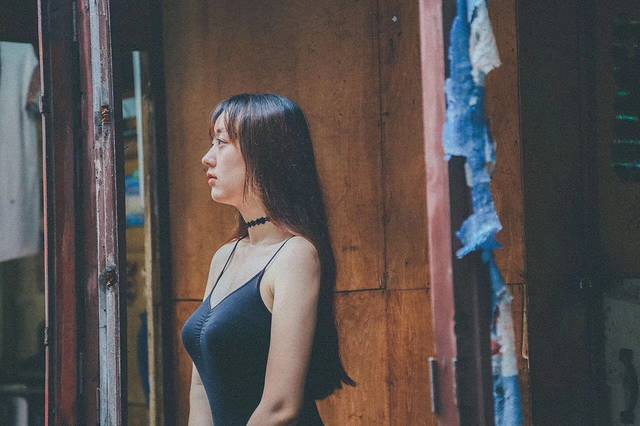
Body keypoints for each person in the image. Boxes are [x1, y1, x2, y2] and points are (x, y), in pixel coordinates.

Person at [181, 94, 355, 425]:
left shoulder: (296, 255)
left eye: (221, 142)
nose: (207, 157)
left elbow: (280, 406)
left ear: (263, 153)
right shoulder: (225, 255)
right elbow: (201, 389)